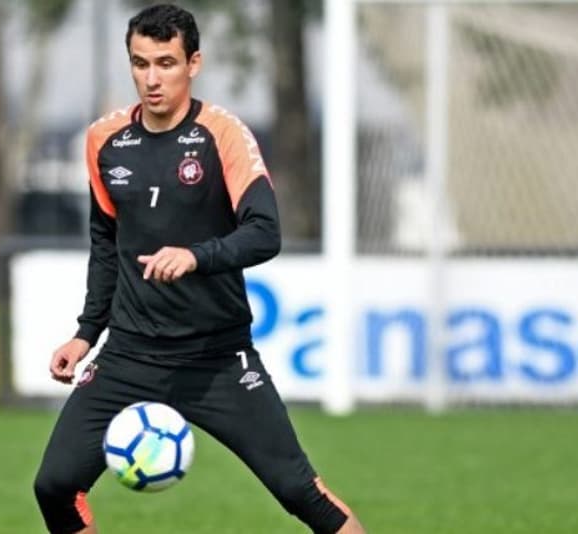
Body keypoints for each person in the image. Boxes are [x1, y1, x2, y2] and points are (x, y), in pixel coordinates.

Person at [33, 4, 366, 533]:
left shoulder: (222, 134)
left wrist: (195, 256)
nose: (152, 78)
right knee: (54, 486)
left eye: (165, 63)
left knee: (301, 493)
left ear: (194, 63)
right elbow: (106, 244)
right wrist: (86, 333)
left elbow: (265, 231)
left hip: (217, 359)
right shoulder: (105, 141)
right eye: (140, 63)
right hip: (129, 355)